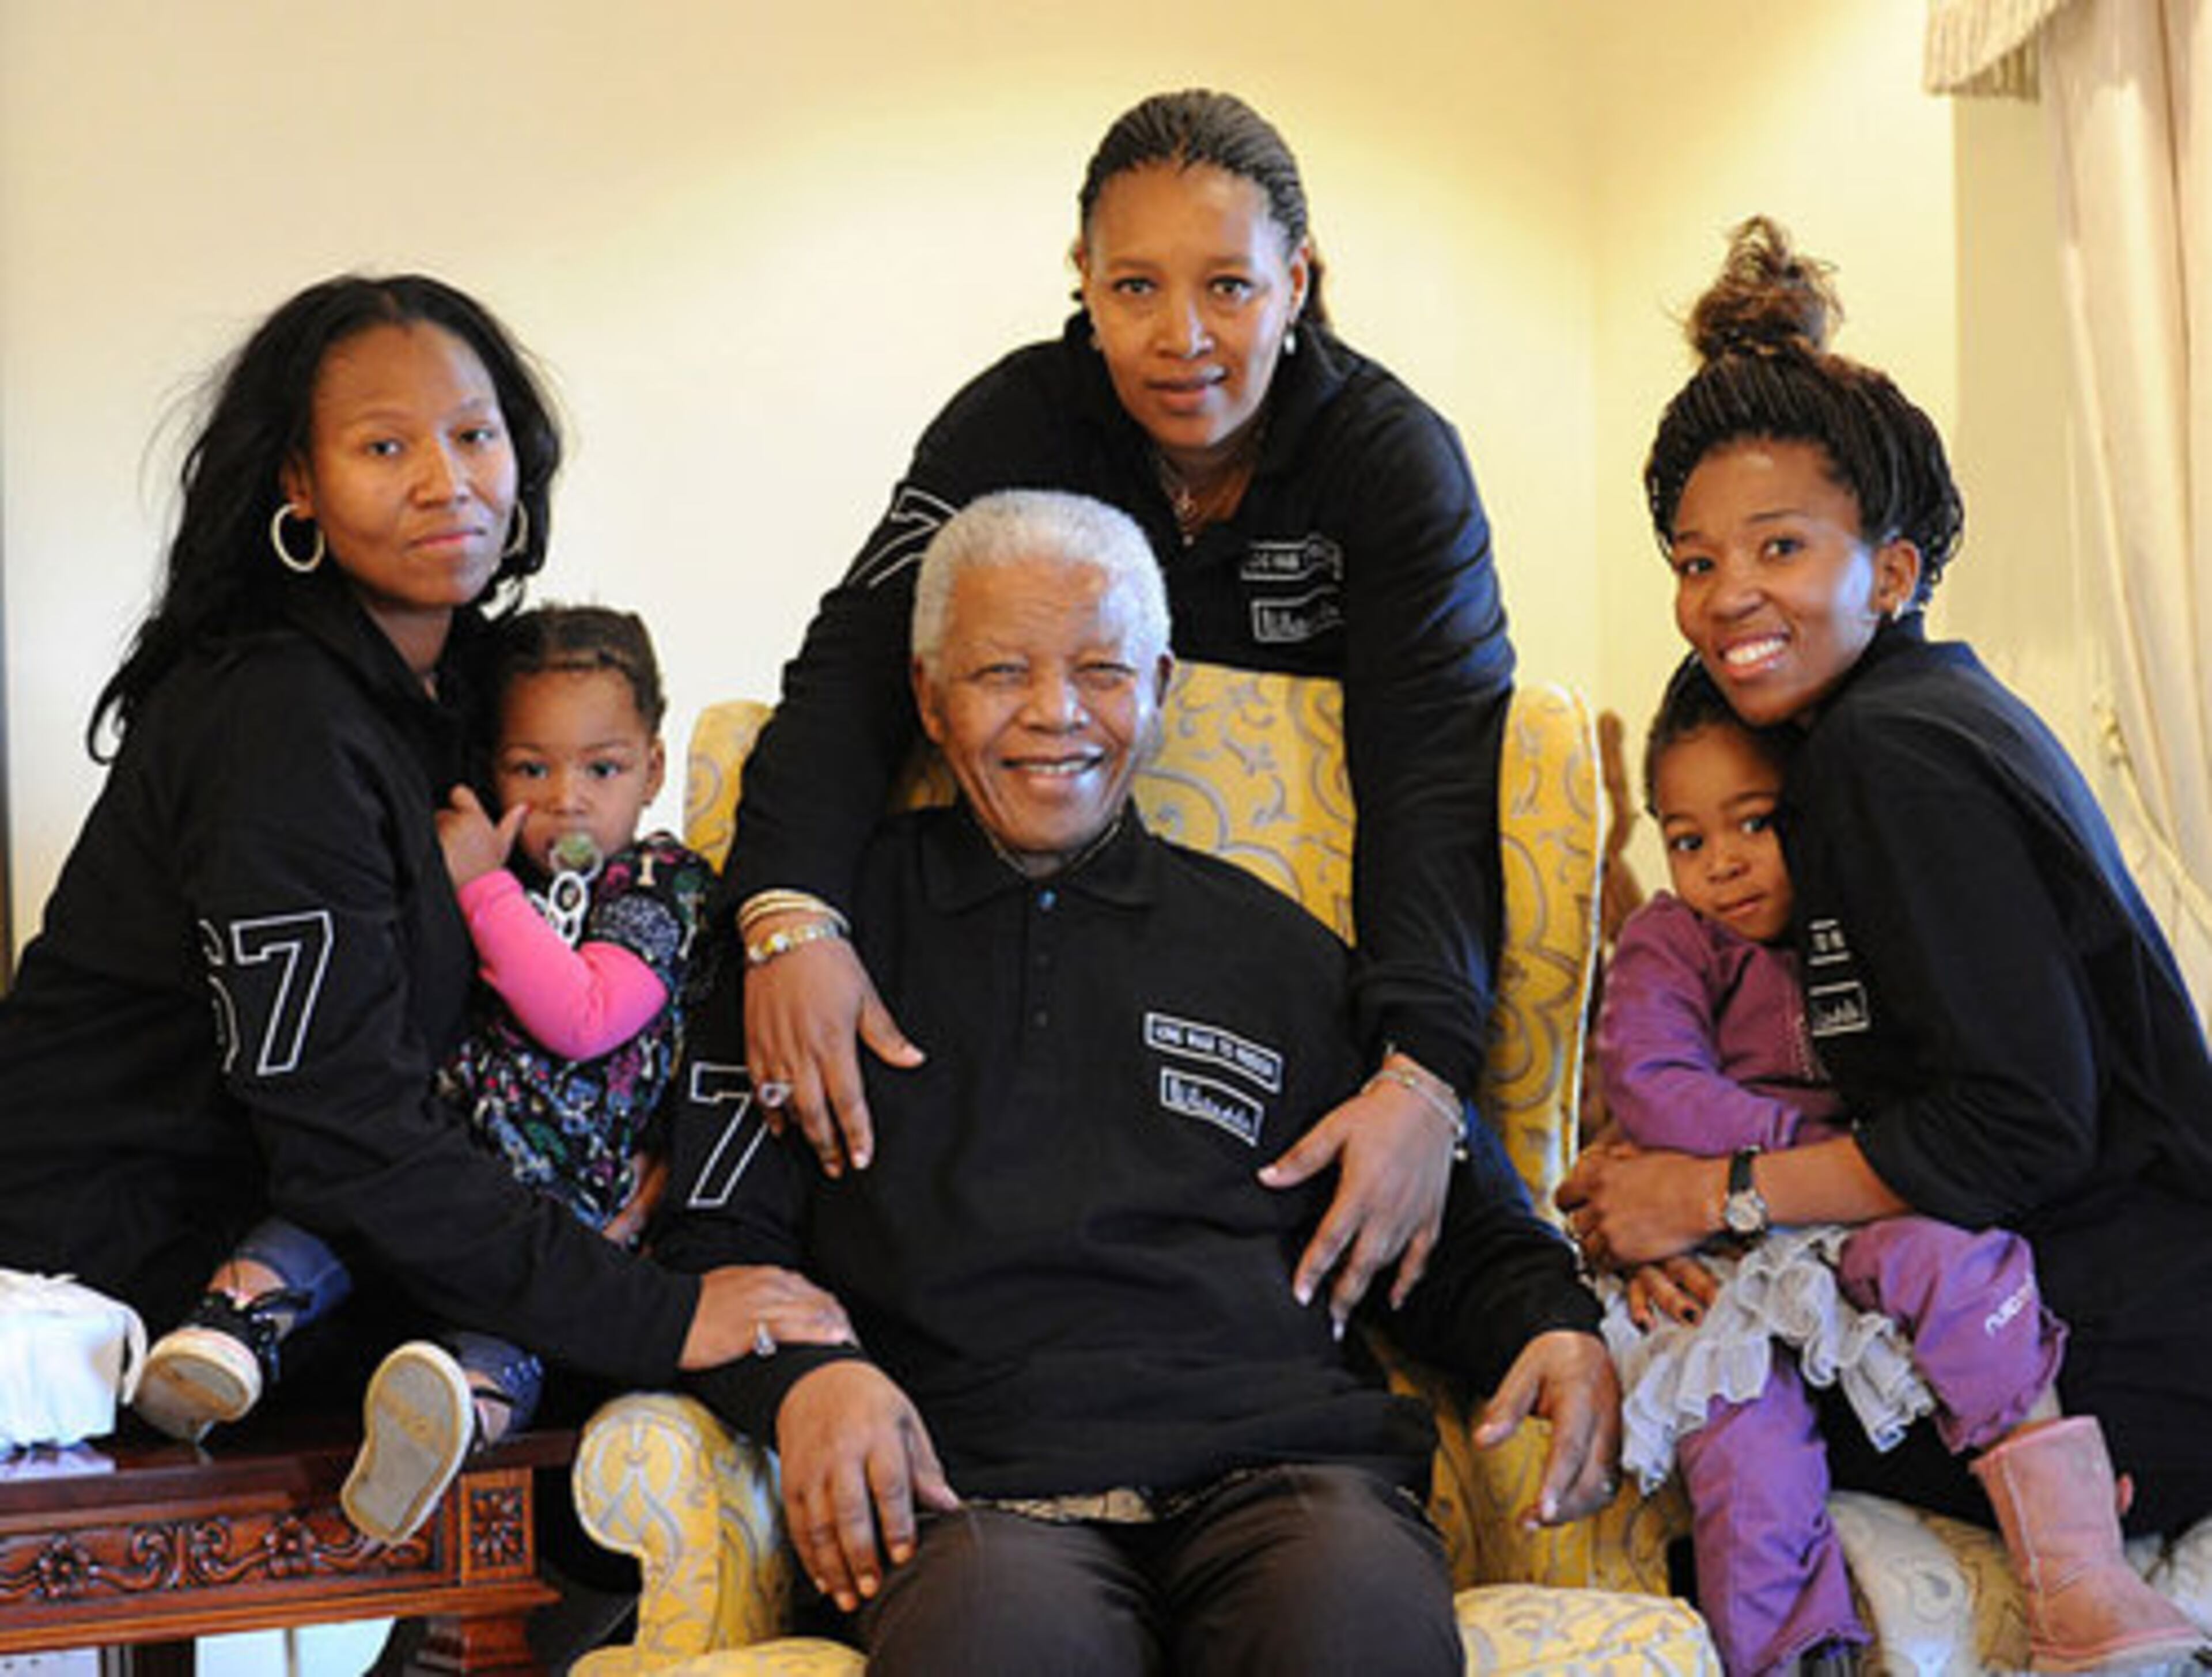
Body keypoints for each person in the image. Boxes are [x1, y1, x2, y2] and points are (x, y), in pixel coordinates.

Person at [655, 490, 1616, 1675]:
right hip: (971, 1490)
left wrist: (1551, 1325)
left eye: (1102, 671)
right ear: (929, 697)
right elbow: (716, 1242)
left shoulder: (1277, 950)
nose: (1056, 713)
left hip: (1285, 1473)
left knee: (1353, 1623)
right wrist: (809, 1380)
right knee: (1003, 1647)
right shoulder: (812, 960)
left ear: (1158, 688)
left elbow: (1454, 1228)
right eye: (1002, 672)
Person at [0, 275, 840, 1452]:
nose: (448, 482)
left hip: (340, 1223)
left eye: (474, 436)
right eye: (385, 446)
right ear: (298, 482)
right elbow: (338, 1118)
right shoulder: (275, 717)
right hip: (140, 1278)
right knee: (612, 1358)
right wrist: (655, 1310)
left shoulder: (472, 695)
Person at [732, 89, 1514, 1328]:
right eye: (1136, 287)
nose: (1181, 337)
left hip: (1284, 972)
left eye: (1230, 288)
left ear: (1297, 280)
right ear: (1084, 282)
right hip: (1018, 943)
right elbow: (856, 666)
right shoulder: (1013, 421)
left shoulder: (1395, 462)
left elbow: (1437, 781)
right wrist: (790, 919)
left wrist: (1423, 1071)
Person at [1557, 217, 2211, 1673]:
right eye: (1697, 559)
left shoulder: (1887, 759)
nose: (1728, 594)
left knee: (1682, 1391)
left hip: (2132, 1335)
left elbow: (2014, 1125)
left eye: (1781, 548)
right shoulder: (1900, 724)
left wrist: (1712, 1198)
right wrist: (1661, 1186)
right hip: (2114, 1285)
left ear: (1895, 570)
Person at [128, 604, 766, 1543]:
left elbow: (587, 1017)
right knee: (331, 1211)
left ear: (654, 769)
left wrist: (478, 888)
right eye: (532, 769)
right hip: (442, 1163)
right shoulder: (504, 871)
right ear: (490, 768)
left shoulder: (658, 882)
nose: (568, 800)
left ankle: (451, 1423)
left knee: (514, 1329)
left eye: (602, 769)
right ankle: (226, 1335)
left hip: (561, 1194)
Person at [1595, 658, 2069, 1676]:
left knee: (1964, 1266)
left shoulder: (1859, 924)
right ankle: (1791, 1655)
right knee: (1743, 1436)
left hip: (1853, 1216)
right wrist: (1813, 1155)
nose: (1723, 865)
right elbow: (1652, 1083)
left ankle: (2070, 1544)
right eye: (1688, 840)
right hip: (1722, 1249)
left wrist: (1852, 1169)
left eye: (1755, 823)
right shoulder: (1672, 940)